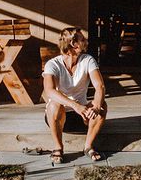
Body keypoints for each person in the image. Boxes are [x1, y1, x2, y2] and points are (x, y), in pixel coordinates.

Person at [42, 26, 108, 163]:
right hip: (59, 117)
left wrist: (95, 106)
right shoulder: (53, 64)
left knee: (102, 105)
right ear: (73, 43)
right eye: (82, 39)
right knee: (54, 105)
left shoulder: (88, 60)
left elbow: (99, 86)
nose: (86, 41)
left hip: (83, 117)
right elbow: (49, 90)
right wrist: (75, 105)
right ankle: (58, 148)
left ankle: (88, 146)